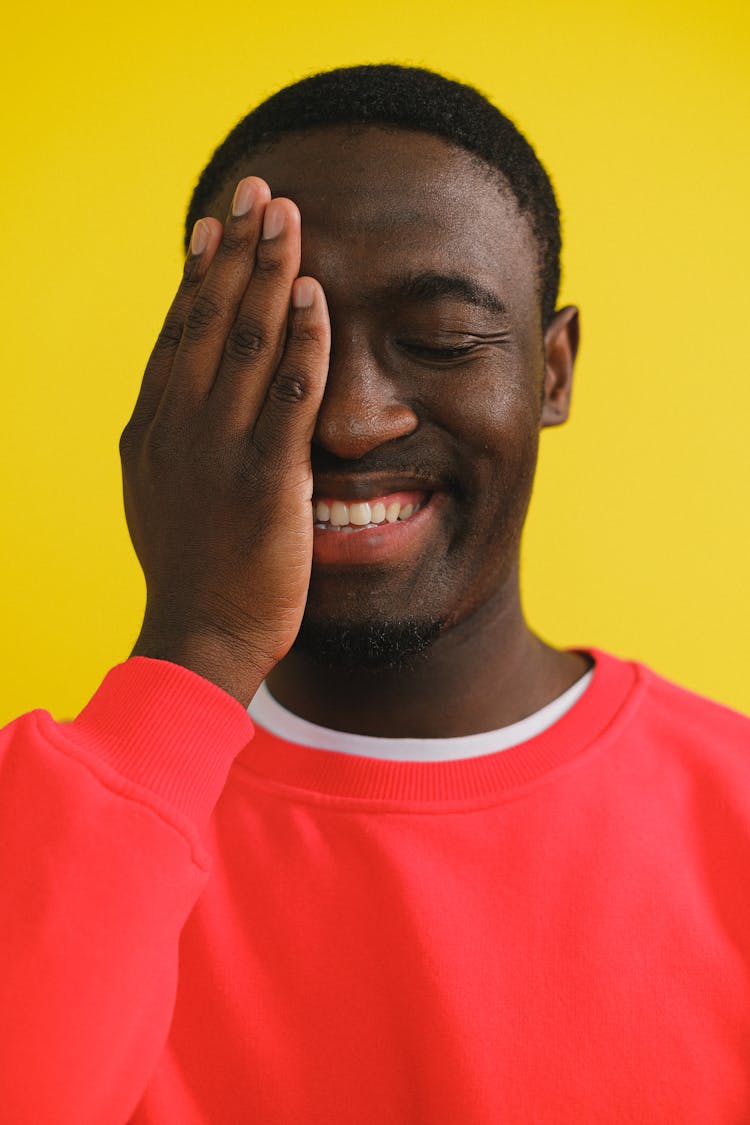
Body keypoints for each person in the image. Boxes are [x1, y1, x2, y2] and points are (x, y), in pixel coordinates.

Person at [1, 64, 749, 1125]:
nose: (349, 421)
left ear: (554, 371)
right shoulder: (41, 830)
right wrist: (196, 649)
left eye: (441, 342)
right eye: (272, 348)